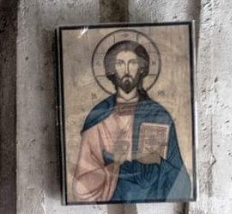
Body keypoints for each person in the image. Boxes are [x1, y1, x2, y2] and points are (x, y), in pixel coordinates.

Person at [72, 40, 192, 203]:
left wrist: (156, 161)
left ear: (141, 69)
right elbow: (81, 186)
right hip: (113, 196)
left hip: (151, 200)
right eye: (120, 64)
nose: (127, 70)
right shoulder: (99, 116)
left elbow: (179, 178)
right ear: (111, 70)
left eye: (132, 63)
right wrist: (116, 166)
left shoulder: (157, 115)